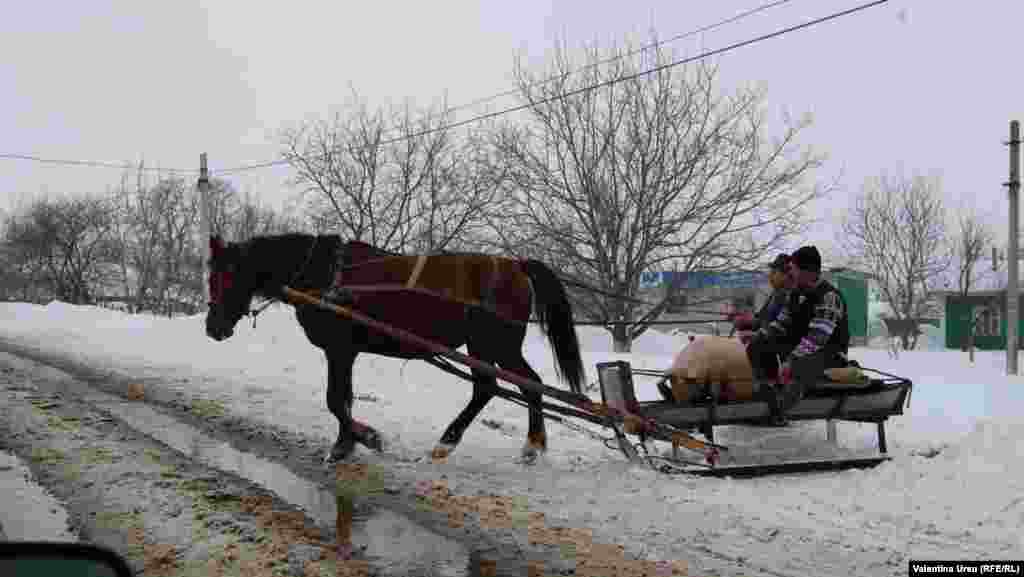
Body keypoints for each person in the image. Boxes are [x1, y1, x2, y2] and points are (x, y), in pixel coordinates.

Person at [750, 246, 851, 424]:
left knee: (799, 364)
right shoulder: (795, 294)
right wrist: (762, 335)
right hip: (800, 351)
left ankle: (785, 405)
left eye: (793, 269)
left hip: (829, 354)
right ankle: (770, 390)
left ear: (807, 272)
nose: (790, 273)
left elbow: (817, 338)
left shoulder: (829, 296)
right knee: (758, 345)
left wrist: (791, 360)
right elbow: (781, 323)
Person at [731, 254, 794, 344]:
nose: (770, 276)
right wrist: (747, 321)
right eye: (770, 272)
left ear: (786, 275)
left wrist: (755, 334)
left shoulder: (790, 297)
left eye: (774, 273)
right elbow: (762, 318)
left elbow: (779, 329)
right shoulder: (776, 293)